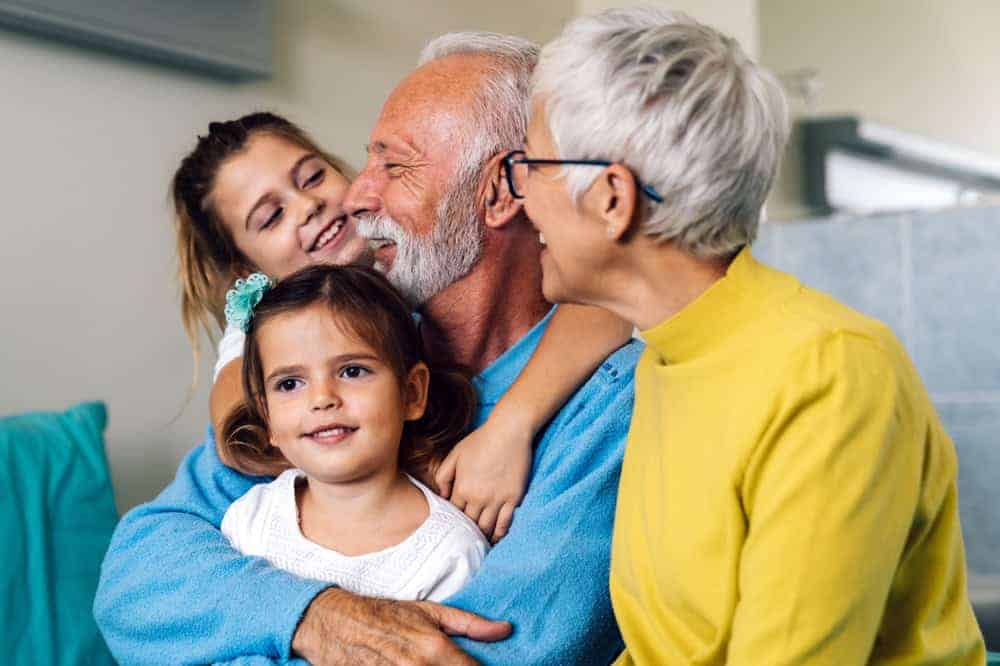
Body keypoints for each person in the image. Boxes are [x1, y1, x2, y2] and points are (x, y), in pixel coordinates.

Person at [95, 32, 642, 665]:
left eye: (395, 166)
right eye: (368, 160)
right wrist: (313, 616)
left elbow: (493, 653)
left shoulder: (607, 413)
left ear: (497, 192)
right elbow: (137, 577)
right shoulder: (336, 353)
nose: (354, 198)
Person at [515, 7, 986, 664]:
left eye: (531, 166)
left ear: (613, 197)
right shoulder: (665, 358)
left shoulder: (830, 375)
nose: (520, 198)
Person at [175, 111, 631, 540]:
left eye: (312, 177)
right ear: (244, 268)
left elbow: (609, 307)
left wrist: (509, 427)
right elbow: (237, 430)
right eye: (272, 217)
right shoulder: (259, 331)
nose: (309, 205)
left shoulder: (406, 255)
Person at [218, 265, 488, 602]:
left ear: (412, 394)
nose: (322, 399)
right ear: (267, 417)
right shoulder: (249, 521)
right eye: (289, 383)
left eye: (352, 371)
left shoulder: (451, 555)